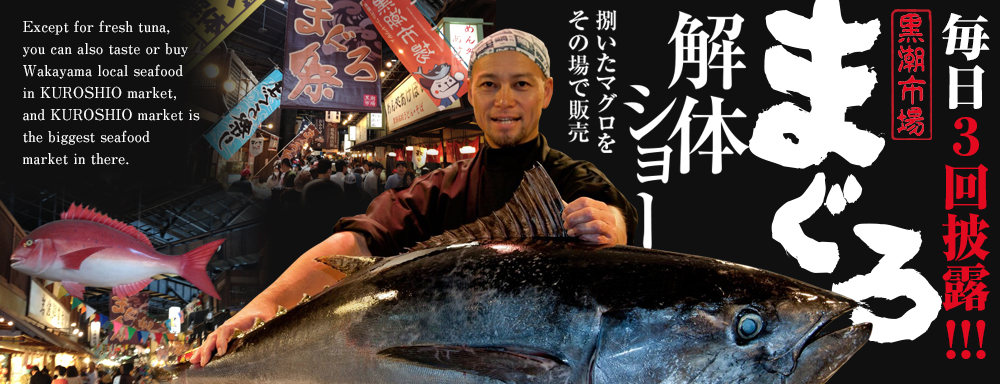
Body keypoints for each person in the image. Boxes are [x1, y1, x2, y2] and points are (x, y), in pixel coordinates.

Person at [194, 28, 637, 367]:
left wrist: (610, 225)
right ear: (470, 93)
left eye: (521, 84)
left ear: (548, 91)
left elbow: (613, 215)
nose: (504, 100)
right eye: (488, 85)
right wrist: (259, 309)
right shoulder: (441, 188)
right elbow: (358, 242)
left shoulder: (575, 178)